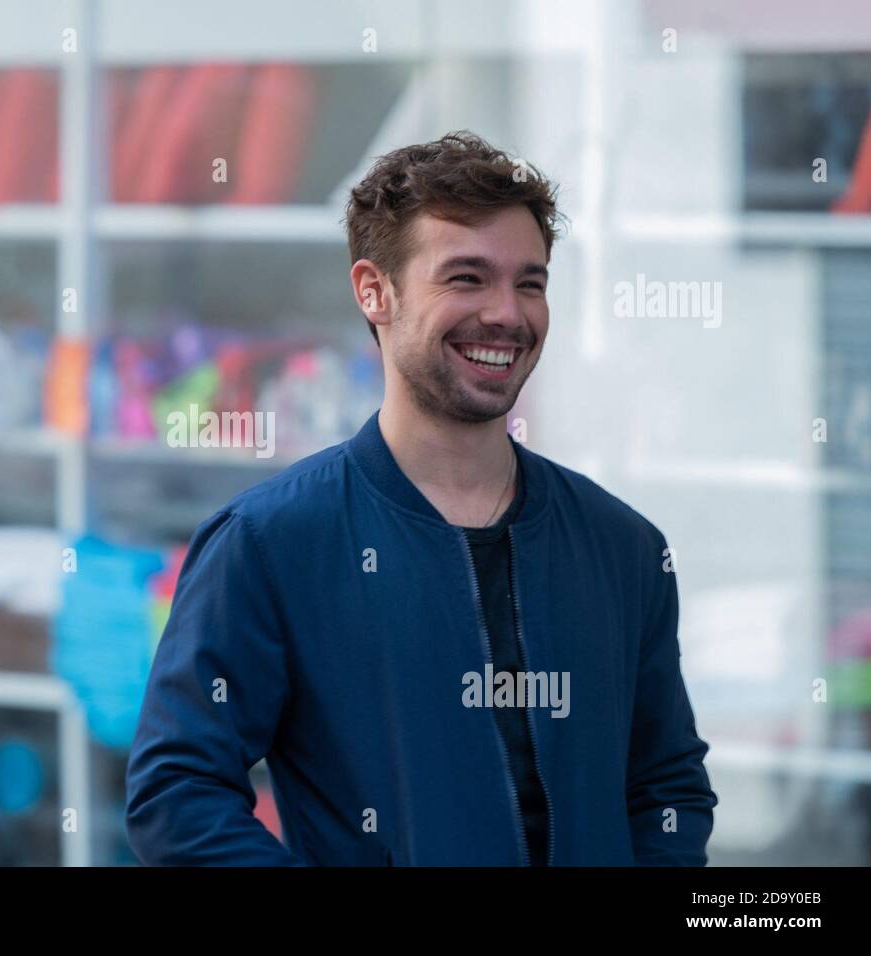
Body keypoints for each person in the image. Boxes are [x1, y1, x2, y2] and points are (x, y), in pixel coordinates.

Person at [124, 131, 717, 866]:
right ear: (375, 291)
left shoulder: (621, 547)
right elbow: (178, 795)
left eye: (529, 283)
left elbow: (666, 787)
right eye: (466, 278)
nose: (507, 313)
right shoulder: (271, 546)